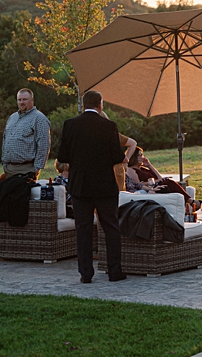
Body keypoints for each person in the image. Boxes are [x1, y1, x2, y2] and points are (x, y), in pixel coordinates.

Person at [57, 90, 127, 283]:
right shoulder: (109, 126)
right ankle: (114, 271)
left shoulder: (70, 125)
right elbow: (117, 157)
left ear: (83, 104)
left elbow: (62, 156)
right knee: (111, 228)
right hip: (104, 185)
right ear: (100, 104)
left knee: (83, 229)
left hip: (80, 185)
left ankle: (85, 273)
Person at [0, 88, 51, 181]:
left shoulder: (39, 118)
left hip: (26, 169)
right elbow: (5, 139)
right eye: (19, 100)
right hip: (9, 169)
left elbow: (44, 144)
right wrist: (4, 163)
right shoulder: (13, 117)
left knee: (23, 195)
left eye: (25, 99)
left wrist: (36, 169)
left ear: (32, 100)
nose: (21, 102)